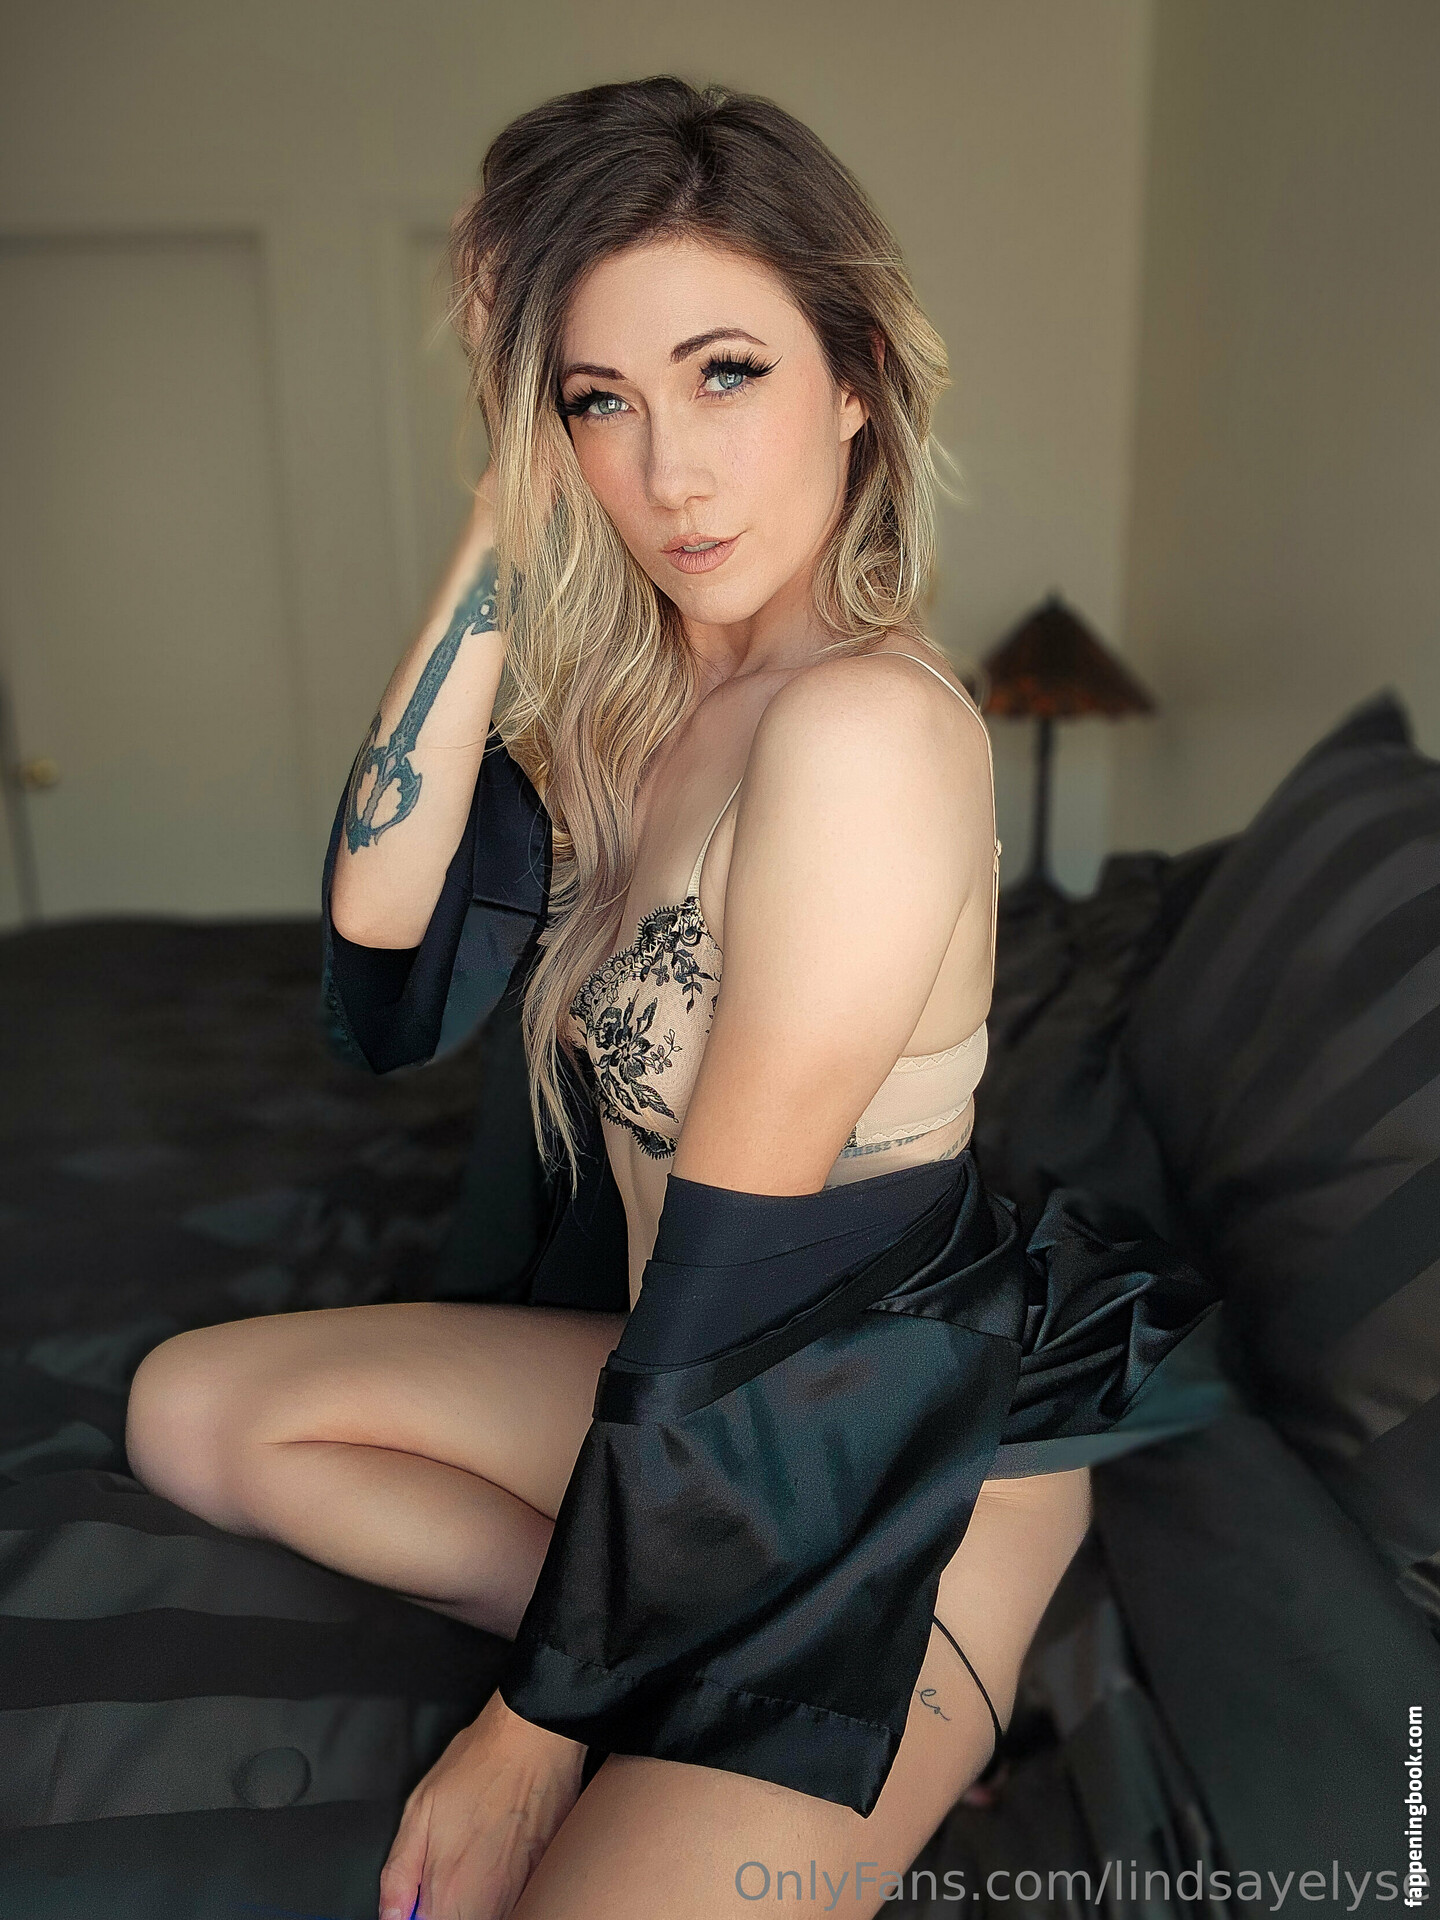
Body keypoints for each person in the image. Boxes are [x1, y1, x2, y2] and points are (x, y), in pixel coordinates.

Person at [125, 77, 1224, 1920]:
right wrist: (502, 503)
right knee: (192, 1413)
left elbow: (732, 1261)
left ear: (855, 377)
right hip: (703, 1407)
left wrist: (531, 1726)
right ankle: (677, 1654)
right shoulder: (635, 718)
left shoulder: (870, 731)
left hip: (884, 1451)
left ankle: (851, 1684)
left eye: (725, 374)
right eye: (598, 402)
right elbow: (383, 954)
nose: (669, 473)